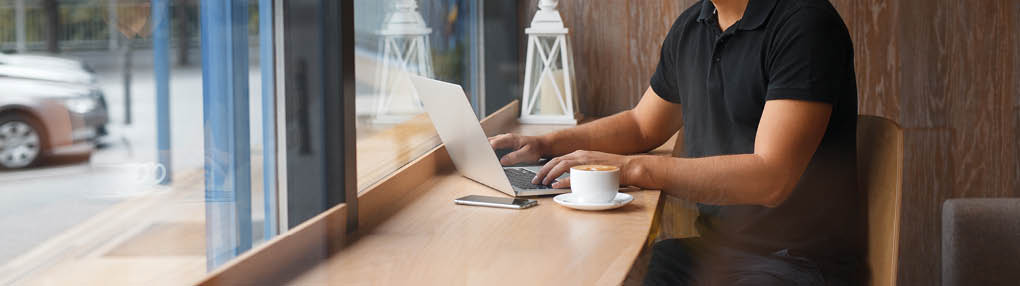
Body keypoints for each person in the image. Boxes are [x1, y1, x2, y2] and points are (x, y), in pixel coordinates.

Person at [489, 0, 864, 285]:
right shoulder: (693, 26)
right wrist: (547, 143)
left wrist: (633, 168)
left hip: (796, 262)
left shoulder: (805, 25)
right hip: (713, 251)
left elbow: (771, 178)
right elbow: (641, 126)